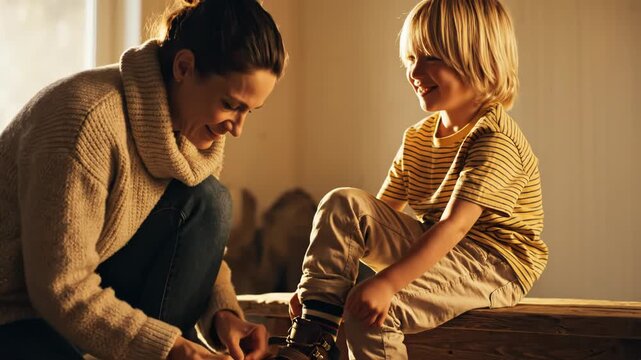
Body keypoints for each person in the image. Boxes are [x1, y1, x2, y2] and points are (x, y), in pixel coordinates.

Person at [0, 0, 286, 359]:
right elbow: (60, 287)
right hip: (16, 309)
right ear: (184, 67)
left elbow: (193, 249)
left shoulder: (194, 130)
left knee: (211, 201)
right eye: (231, 104)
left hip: (87, 289)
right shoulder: (85, 120)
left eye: (250, 111)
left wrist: (223, 315)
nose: (238, 128)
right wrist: (172, 349)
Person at [271, 0, 548, 359]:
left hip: (495, 263)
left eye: (430, 58)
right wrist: (320, 292)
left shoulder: (494, 139)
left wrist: (386, 284)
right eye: (410, 59)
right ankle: (313, 333)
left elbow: (454, 227)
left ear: (478, 59)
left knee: (373, 315)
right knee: (344, 202)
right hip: (444, 247)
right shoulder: (418, 138)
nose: (415, 72)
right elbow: (371, 217)